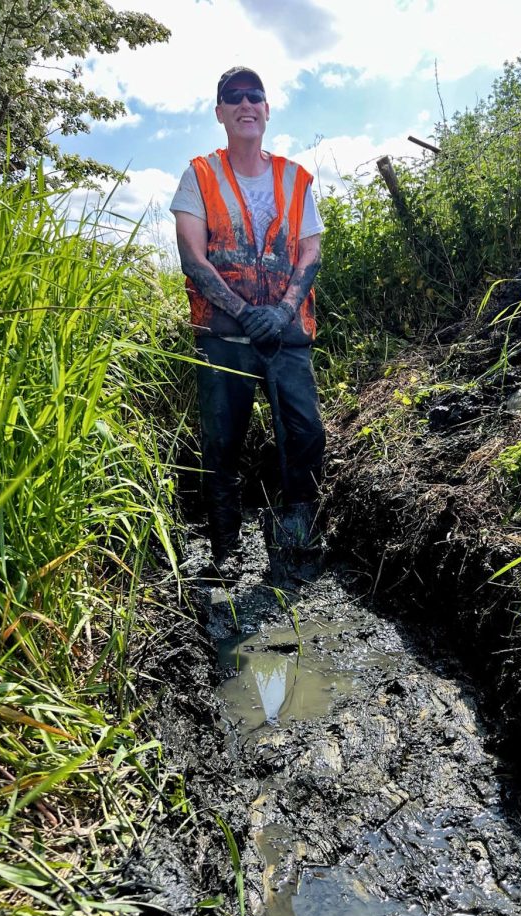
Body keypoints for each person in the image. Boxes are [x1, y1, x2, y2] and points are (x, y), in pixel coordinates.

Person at [170, 66, 325, 574]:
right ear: (220, 113)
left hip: (288, 337)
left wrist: (280, 313)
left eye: (254, 96)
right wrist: (243, 313)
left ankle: (294, 532)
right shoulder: (199, 175)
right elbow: (193, 258)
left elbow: (310, 253)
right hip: (224, 338)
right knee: (221, 443)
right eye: (233, 97)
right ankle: (225, 550)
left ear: (266, 108)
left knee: (305, 434)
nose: (245, 104)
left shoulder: (294, 177)